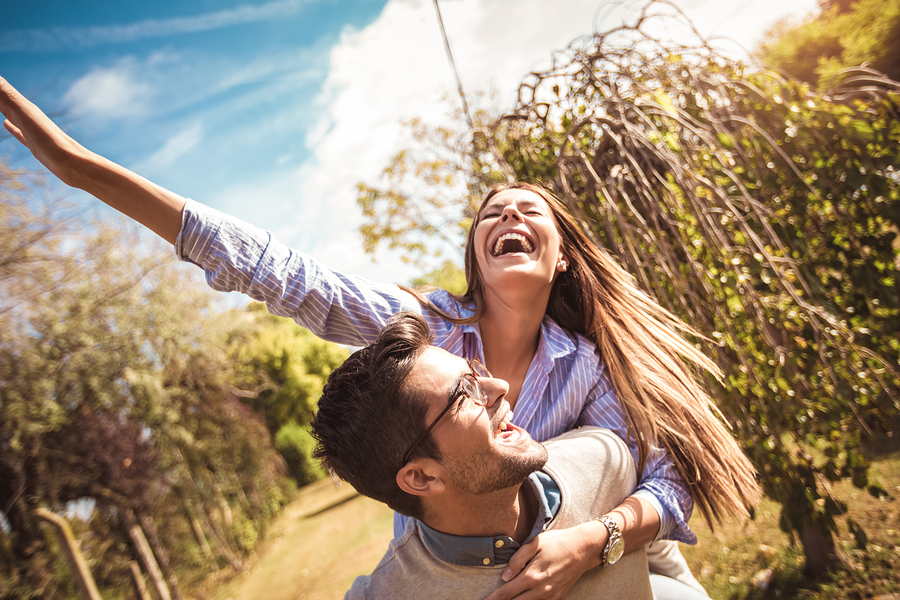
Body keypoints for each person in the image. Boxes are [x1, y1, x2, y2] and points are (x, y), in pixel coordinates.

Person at [1, 76, 759, 599]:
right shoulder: (422, 333)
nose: (506, 217)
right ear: (477, 256)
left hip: (613, 570)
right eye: (490, 214)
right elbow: (280, 272)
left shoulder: (593, 366)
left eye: (530, 211)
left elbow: (667, 480)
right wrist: (78, 168)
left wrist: (594, 542)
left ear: (560, 255)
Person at [311, 311, 653, 600]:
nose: (499, 386)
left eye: (476, 372)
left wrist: (602, 538)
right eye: (464, 393)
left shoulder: (603, 459)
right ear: (422, 477)